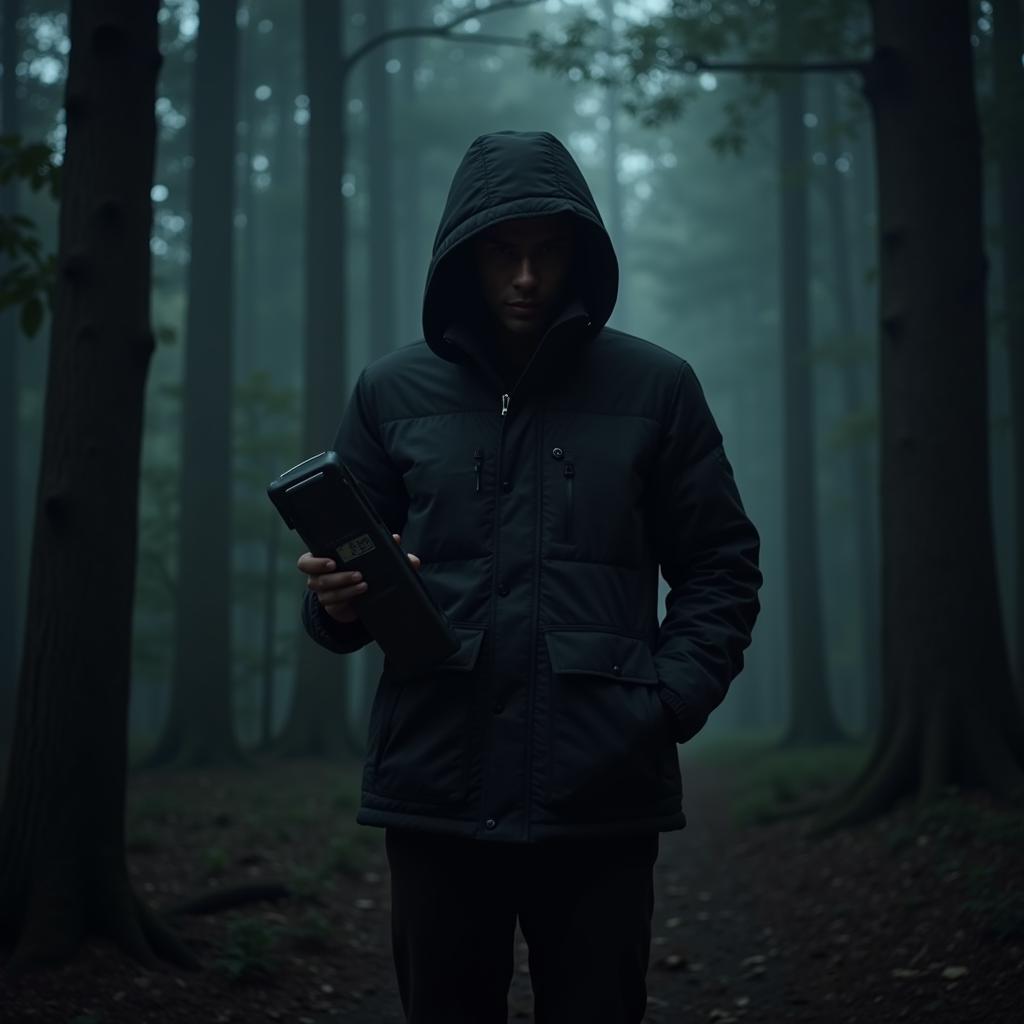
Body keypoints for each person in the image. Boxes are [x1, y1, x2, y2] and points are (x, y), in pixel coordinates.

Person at [297, 129, 762, 1024]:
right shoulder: (390, 393)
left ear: (578, 256)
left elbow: (719, 565)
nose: (523, 277)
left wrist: (665, 702)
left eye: (546, 254)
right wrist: (334, 602)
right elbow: (342, 587)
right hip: (436, 785)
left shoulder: (658, 387)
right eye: (502, 254)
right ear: (463, 260)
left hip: (602, 789)